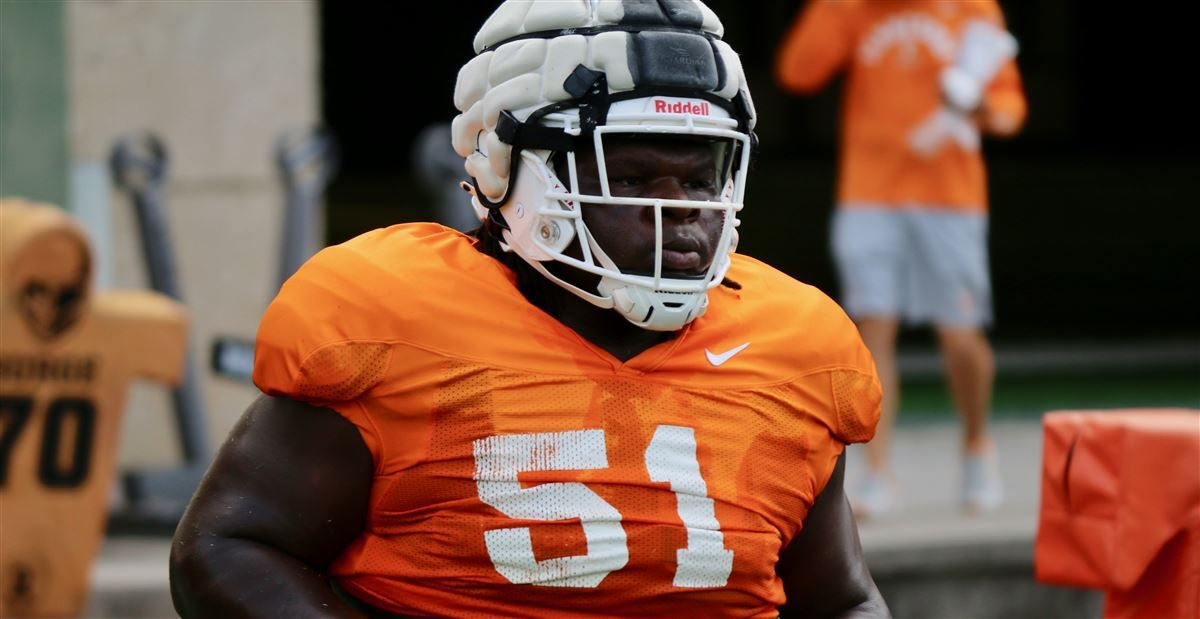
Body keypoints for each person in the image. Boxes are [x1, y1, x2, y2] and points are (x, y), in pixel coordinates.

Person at [170, 1, 888, 616]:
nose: (682, 214)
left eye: (702, 178)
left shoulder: (796, 346)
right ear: (510, 169)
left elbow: (842, 599)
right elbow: (224, 546)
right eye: (633, 176)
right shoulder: (396, 319)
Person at [774, 0, 1028, 519]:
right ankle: (876, 472)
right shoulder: (854, 8)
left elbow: (1010, 109)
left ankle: (978, 446)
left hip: (950, 198)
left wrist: (977, 102)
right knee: (873, 331)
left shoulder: (973, 8)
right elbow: (797, 73)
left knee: (961, 335)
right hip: (869, 193)